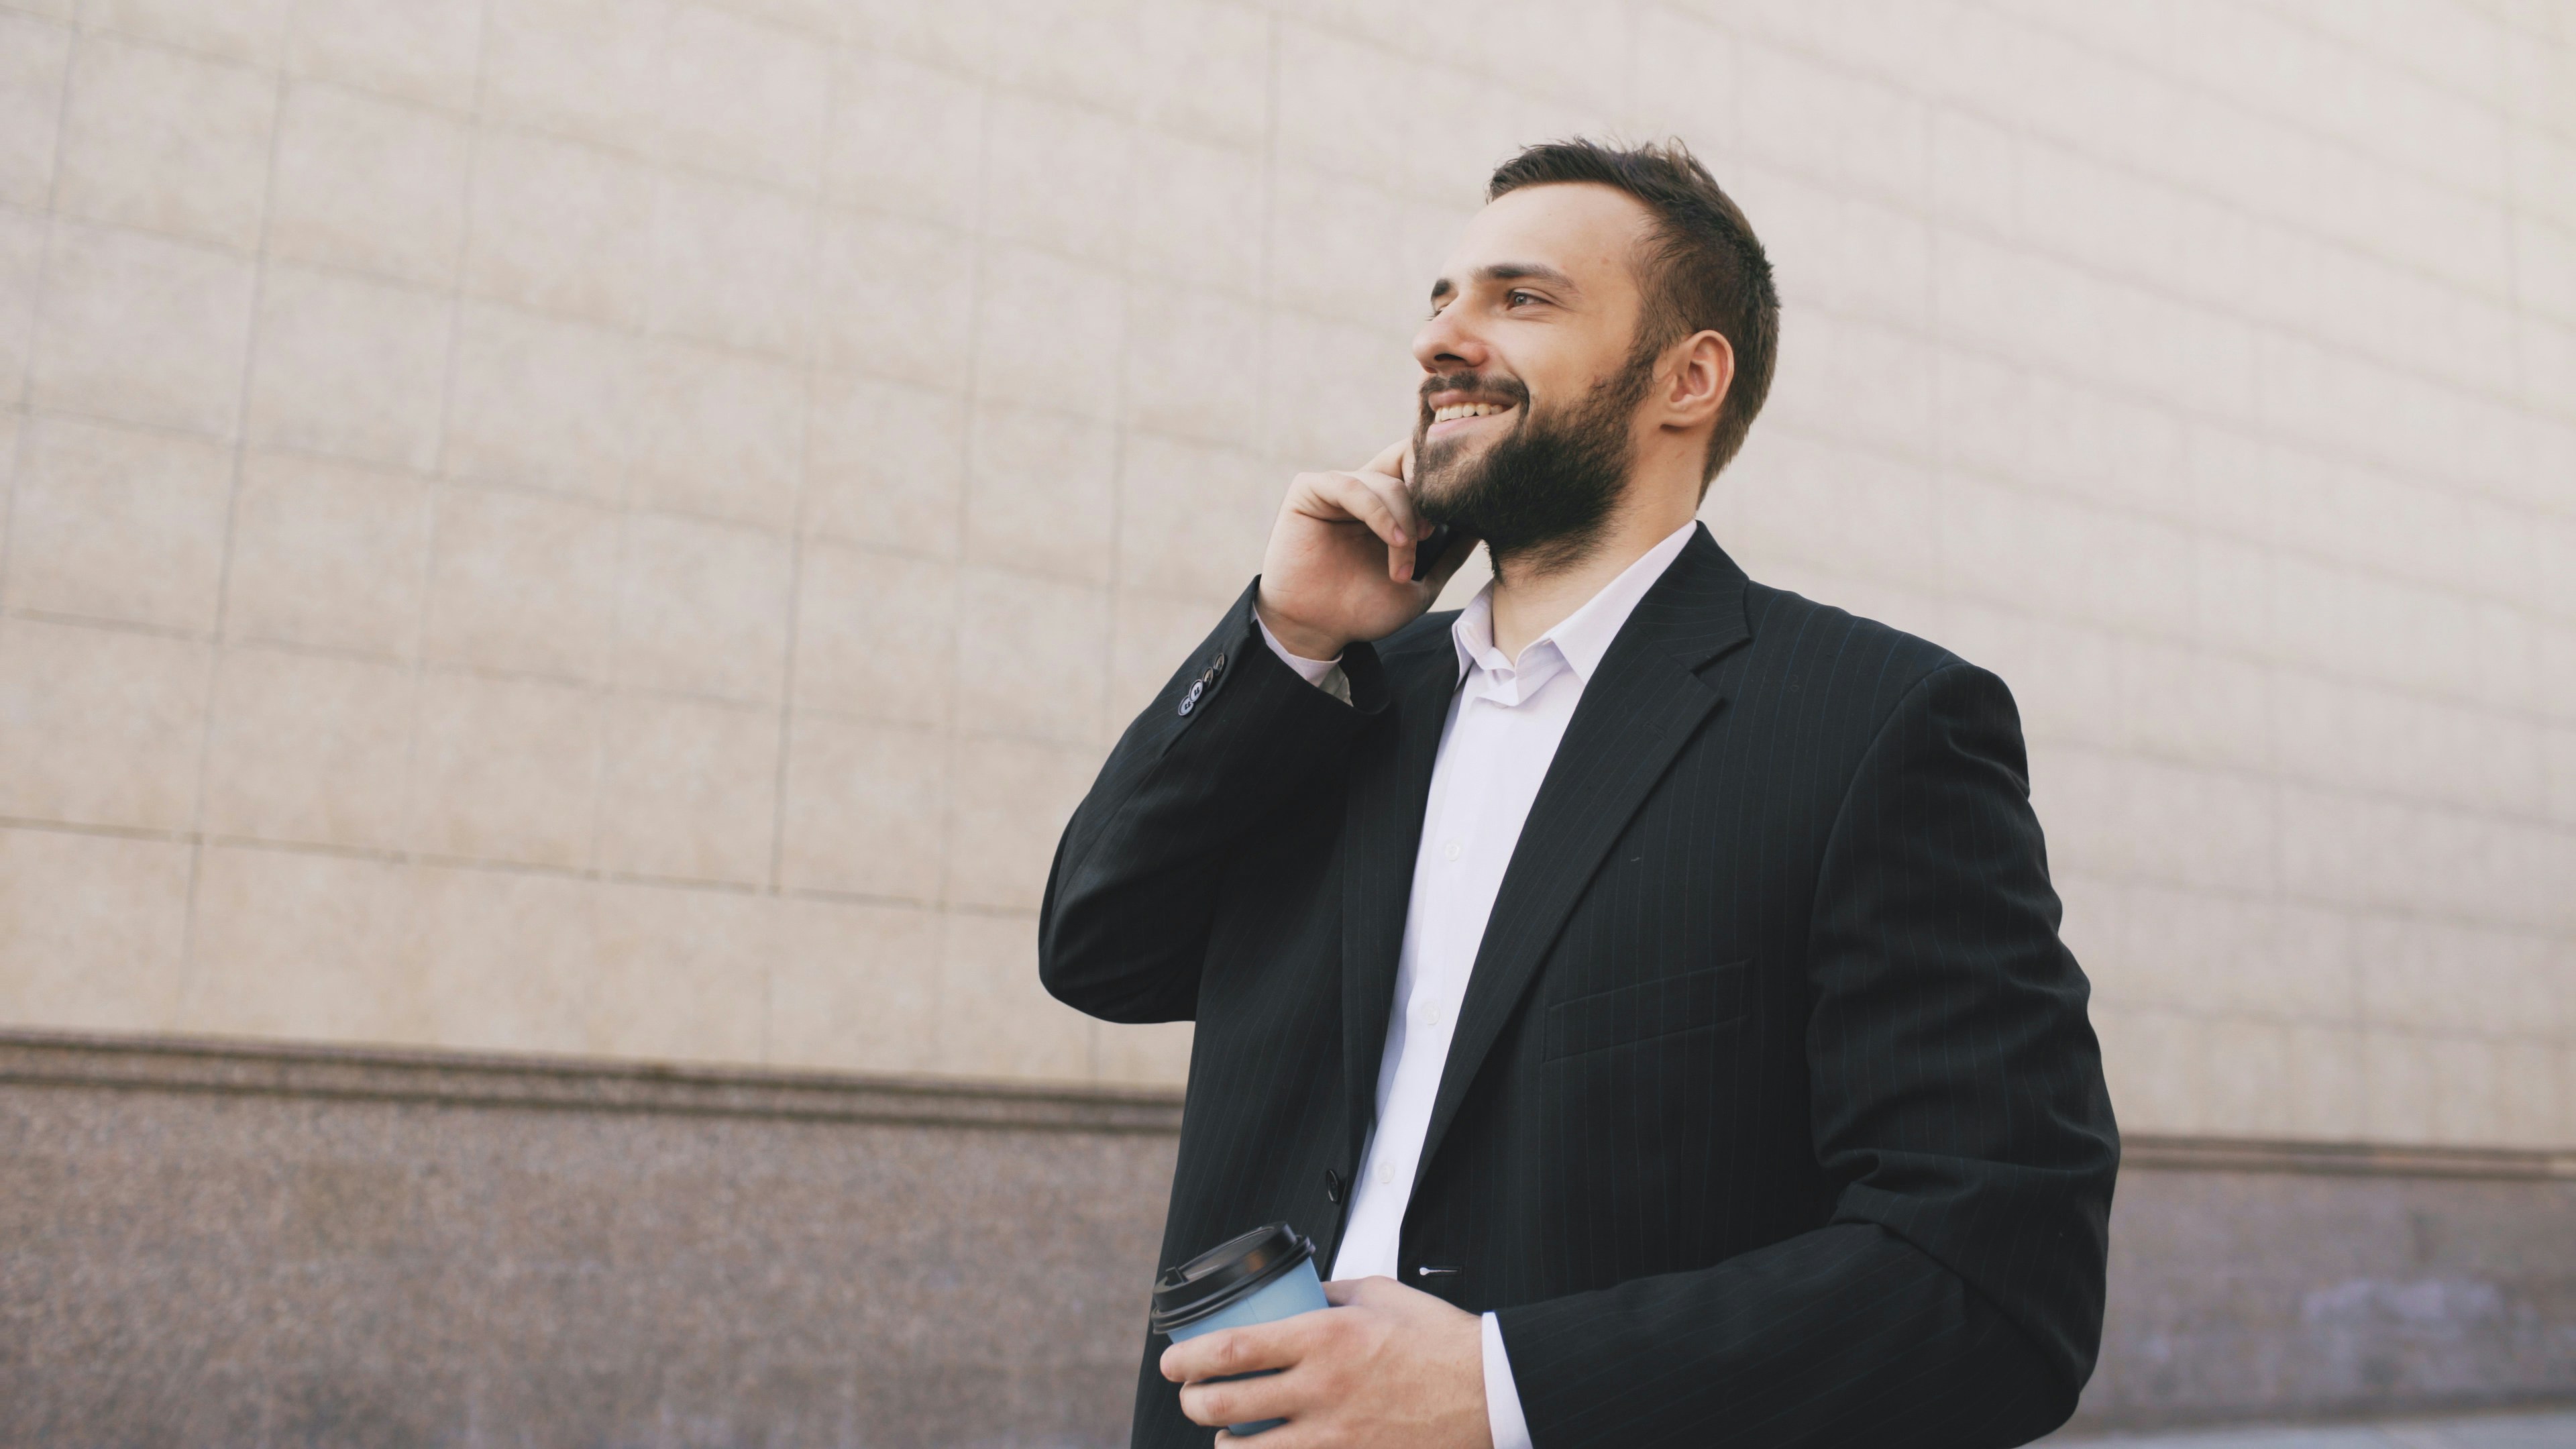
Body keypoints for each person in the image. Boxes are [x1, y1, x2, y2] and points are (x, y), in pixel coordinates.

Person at [1038, 138, 2118, 1448]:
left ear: (1688, 378)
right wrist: (1289, 636)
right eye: (1440, 299)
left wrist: (1504, 1389)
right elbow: (1100, 947)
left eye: (1520, 298)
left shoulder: (1875, 726)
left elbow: (1994, 1287)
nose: (1446, 336)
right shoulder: (1338, 703)